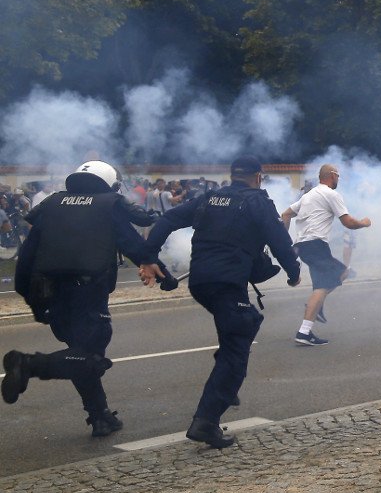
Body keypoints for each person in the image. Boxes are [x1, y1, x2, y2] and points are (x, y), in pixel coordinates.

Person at [140, 155, 301, 449]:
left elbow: (168, 219)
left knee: (242, 327)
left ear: (232, 175)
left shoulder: (210, 198)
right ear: (258, 177)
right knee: (236, 348)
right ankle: (206, 421)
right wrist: (294, 272)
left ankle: (225, 385)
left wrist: (149, 255)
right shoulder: (257, 201)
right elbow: (279, 240)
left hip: (201, 282)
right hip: (226, 284)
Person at [1, 160, 167, 437]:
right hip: (88, 294)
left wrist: (33, 302)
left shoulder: (52, 205)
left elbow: (27, 257)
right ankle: (27, 364)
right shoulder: (108, 204)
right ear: (108, 182)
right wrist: (164, 274)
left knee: (79, 355)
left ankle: (100, 417)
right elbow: (132, 243)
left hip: (50, 295)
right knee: (90, 357)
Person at [281, 164, 371, 346]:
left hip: (304, 246)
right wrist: (364, 223)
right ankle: (305, 329)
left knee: (341, 274)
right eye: (337, 176)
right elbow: (348, 222)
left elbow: (285, 214)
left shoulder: (308, 196)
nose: (338, 179)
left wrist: (285, 241)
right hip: (315, 245)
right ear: (331, 175)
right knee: (334, 279)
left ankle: (315, 307)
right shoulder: (331, 194)